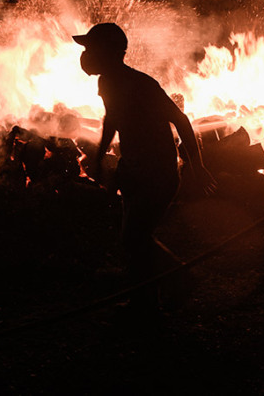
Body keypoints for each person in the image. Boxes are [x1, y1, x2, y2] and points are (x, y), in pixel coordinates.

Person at [73, 22, 217, 318]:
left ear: (112, 52)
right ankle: (147, 301)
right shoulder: (107, 83)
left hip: (158, 173)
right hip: (134, 170)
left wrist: (197, 166)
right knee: (135, 238)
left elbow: (181, 120)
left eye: (91, 48)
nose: (86, 55)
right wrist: (100, 157)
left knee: (134, 238)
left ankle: (178, 280)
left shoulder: (141, 84)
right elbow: (111, 120)